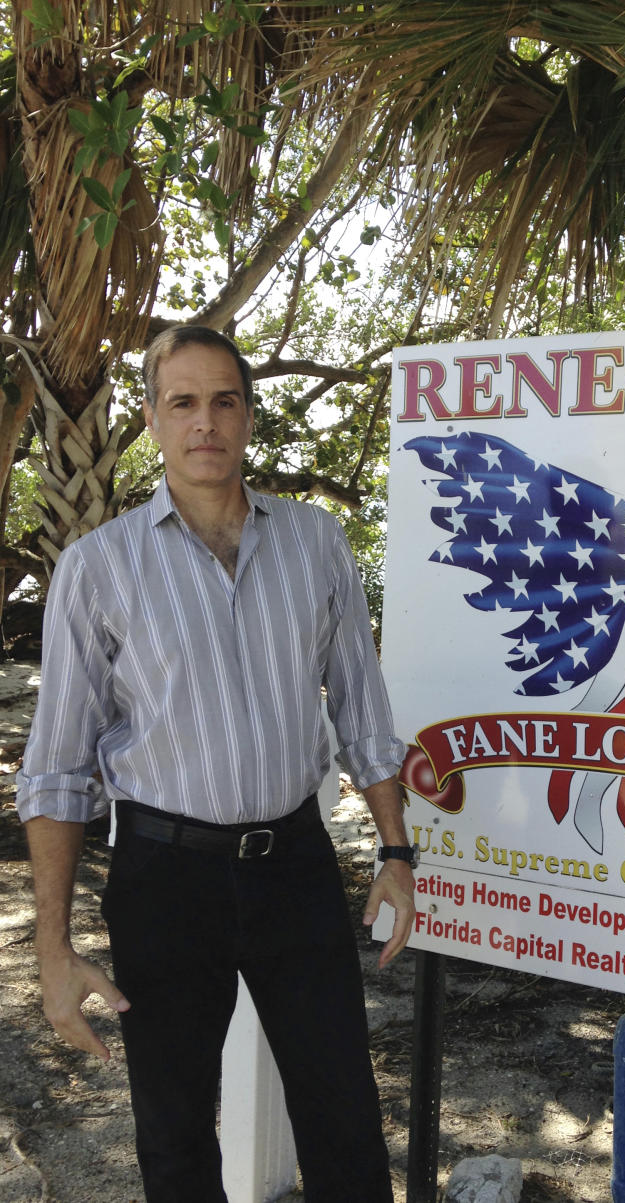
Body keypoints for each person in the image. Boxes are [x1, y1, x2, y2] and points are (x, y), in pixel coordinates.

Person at [16, 325, 416, 1203]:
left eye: (224, 400)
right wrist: (54, 948)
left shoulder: (316, 543)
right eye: (183, 402)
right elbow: (57, 768)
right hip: (166, 878)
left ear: (246, 415)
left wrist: (395, 851)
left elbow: (363, 708)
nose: (207, 422)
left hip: (298, 871)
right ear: (153, 420)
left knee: (346, 1120)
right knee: (174, 1136)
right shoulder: (98, 568)